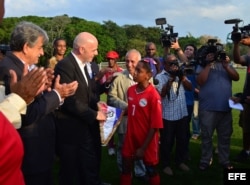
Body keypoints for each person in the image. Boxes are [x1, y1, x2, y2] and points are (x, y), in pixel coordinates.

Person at [0, 21, 78, 185]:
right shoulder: (10, 70)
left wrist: (45, 89)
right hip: (31, 154)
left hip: (38, 150)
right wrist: (58, 94)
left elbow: (27, 101)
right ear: (27, 47)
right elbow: (24, 115)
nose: (42, 52)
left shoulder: (23, 67)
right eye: (40, 47)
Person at [54, 32, 107, 185]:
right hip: (70, 128)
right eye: (94, 50)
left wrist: (98, 101)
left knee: (87, 161)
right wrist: (94, 114)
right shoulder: (65, 66)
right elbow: (68, 100)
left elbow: (89, 90)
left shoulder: (83, 66)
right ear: (82, 49)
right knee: (70, 168)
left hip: (83, 125)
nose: (96, 53)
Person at [196, 44, 239, 170]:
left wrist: (226, 66)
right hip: (207, 108)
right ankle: (205, 159)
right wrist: (209, 64)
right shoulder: (202, 65)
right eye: (213, 53)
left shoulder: (225, 64)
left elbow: (236, 77)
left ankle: (224, 160)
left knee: (224, 137)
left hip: (225, 108)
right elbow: (200, 81)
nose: (215, 55)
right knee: (206, 137)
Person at [120, 59, 163, 185]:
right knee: (126, 166)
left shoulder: (153, 96)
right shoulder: (131, 90)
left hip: (147, 140)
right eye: (135, 69)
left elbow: (155, 125)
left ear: (148, 75)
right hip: (130, 137)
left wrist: (143, 148)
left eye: (139, 71)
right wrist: (114, 115)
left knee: (151, 170)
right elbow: (132, 109)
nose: (135, 72)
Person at [108, 49, 148, 181]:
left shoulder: (147, 78)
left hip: (141, 123)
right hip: (125, 122)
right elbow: (111, 97)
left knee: (140, 147)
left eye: (133, 61)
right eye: (127, 61)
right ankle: (124, 171)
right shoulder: (119, 77)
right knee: (122, 148)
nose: (129, 64)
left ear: (139, 62)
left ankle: (140, 172)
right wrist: (128, 107)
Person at [155, 54, 192, 176]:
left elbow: (190, 87)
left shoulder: (180, 73)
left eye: (175, 62)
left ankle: (179, 161)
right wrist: (170, 80)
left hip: (182, 112)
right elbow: (161, 94)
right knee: (167, 141)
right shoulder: (160, 77)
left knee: (182, 139)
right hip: (168, 115)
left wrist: (182, 78)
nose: (174, 65)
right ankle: (165, 164)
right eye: (171, 63)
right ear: (165, 64)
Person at [99, 50, 123, 156]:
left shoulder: (122, 71)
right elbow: (102, 89)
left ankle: (122, 144)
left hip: (121, 100)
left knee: (122, 125)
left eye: (112, 59)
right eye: (108, 59)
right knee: (110, 123)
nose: (110, 61)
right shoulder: (105, 72)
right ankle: (111, 146)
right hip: (110, 101)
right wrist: (107, 82)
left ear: (116, 59)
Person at [232, 36, 250, 161]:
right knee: (246, 127)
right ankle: (246, 151)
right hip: (247, 101)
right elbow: (238, 59)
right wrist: (236, 43)